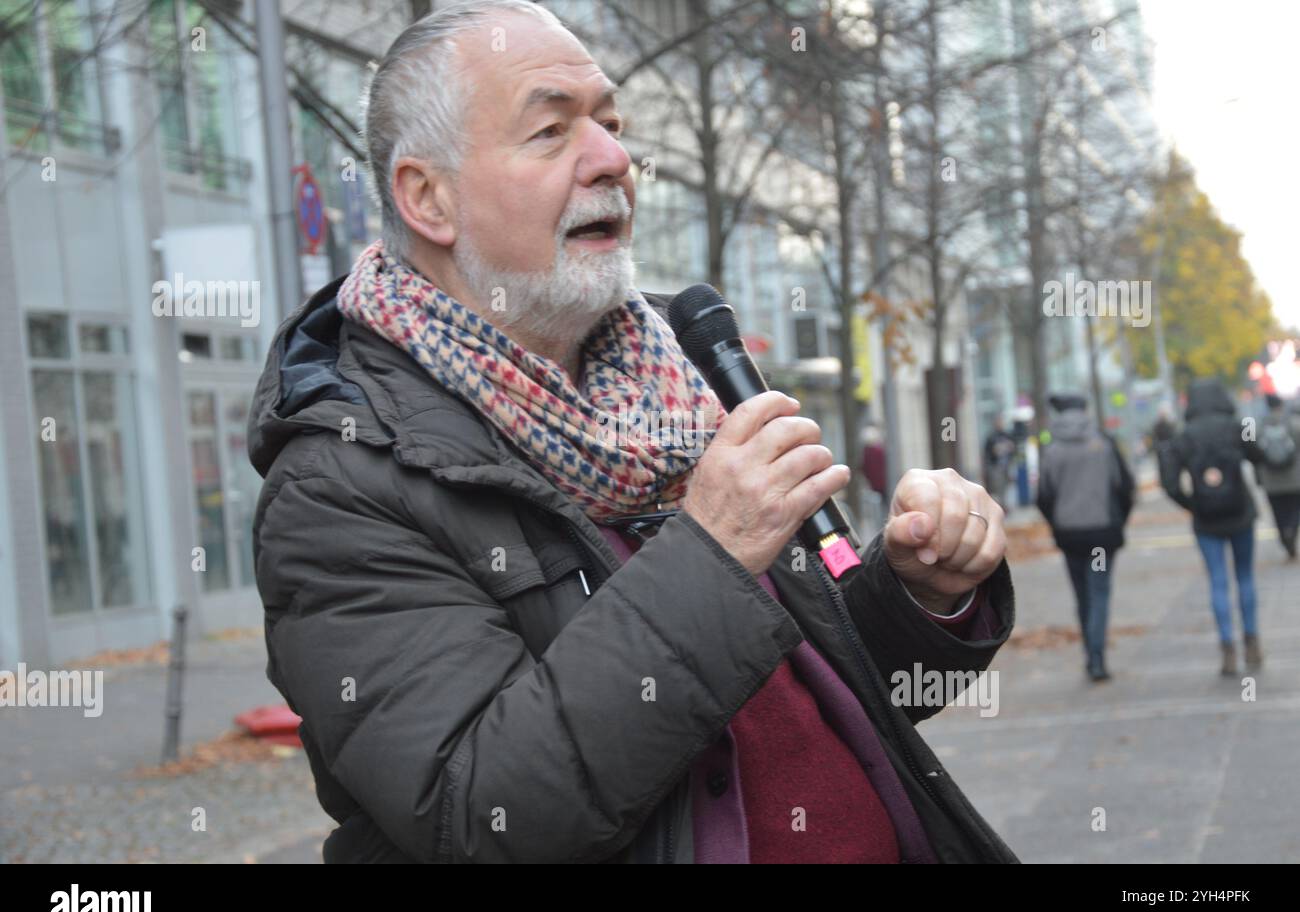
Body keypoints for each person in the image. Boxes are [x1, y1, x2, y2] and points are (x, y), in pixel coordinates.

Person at [248, 0, 1018, 864]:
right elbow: (484, 813)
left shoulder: (675, 370)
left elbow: (823, 690)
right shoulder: (342, 482)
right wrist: (712, 556)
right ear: (429, 197)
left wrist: (922, 592)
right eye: (551, 132)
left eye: (611, 125)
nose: (614, 158)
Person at [1159, 379, 1266, 675]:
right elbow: (1259, 454)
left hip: (1206, 520)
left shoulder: (1185, 436)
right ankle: (1252, 641)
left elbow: (1168, 482)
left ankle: (1227, 647)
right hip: (1240, 512)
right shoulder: (1236, 426)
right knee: (1244, 577)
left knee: (1218, 581)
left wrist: (1190, 504)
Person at [1035, 393, 1134, 681]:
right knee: (1099, 591)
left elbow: (1043, 496)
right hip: (1101, 536)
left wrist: (1057, 522)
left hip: (1071, 536)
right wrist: (1119, 522)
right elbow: (1124, 487)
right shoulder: (1103, 444)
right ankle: (1097, 657)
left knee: (1082, 595)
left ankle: (1090, 655)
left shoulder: (1052, 450)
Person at [1257, 394, 1300, 560]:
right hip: (1295, 477)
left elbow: (1249, 449)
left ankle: (1284, 536)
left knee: (1277, 511)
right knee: (1295, 509)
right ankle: (1291, 531)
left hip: (1270, 479)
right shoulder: (1295, 422)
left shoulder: (1254, 423)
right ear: (1281, 404)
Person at [983, 416, 1017, 511]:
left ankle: (1005, 505)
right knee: (998, 487)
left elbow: (1013, 448)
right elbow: (988, 453)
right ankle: (1001, 505)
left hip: (1007, 466)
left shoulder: (1007, 435)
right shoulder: (991, 437)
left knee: (1007, 486)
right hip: (996, 466)